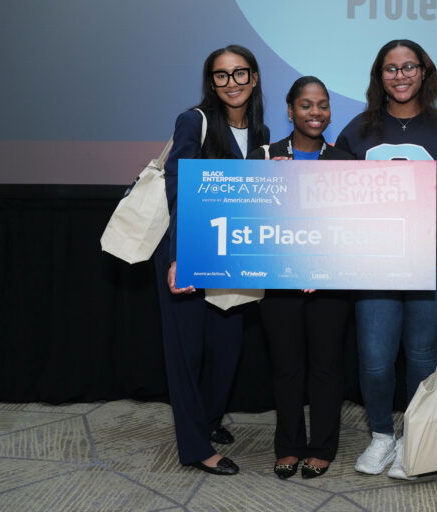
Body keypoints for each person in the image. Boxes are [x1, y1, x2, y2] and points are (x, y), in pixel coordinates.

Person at [335, 39, 437, 480]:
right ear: (379, 77)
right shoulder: (358, 131)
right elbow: (331, 197)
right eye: (390, 69)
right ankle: (381, 435)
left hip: (433, 265)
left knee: (421, 359)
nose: (400, 76)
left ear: (424, 72)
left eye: (408, 67)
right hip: (373, 267)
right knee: (375, 360)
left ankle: (415, 438)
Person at [154, 44, 269, 476]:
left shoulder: (262, 132)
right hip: (186, 252)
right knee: (186, 354)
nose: (232, 83)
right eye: (221, 76)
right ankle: (196, 446)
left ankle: (207, 421)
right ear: (211, 82)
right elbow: (178, 187)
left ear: (254, 78)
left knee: (226, 348)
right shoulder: (195, 121)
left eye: (240, 73)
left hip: (232, 254)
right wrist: (179, 257)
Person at [248, 76, 353, 480]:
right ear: (290, 111)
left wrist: (322, 267)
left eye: (323, 105)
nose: (316, 113)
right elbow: (252, 221)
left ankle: (322, 447)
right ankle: (288, 446)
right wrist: (266, 182)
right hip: (278, 283)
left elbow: (350, 227)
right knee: (286, 367)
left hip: (329, 284)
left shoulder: (344, 160)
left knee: (326, 367)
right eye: (306, 105)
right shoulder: (264, 156)